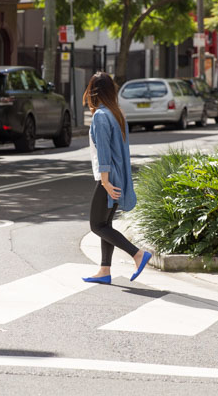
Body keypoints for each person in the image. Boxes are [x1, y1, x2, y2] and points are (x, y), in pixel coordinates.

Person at [82, 72, 152, 285]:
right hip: (117, 177)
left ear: (93, 91)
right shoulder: (117, 113)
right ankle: (104, 270)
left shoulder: (101, 116)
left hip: (109, 179)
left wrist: (105, 182)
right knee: (106, 224)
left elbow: (104, 153)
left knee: (97, 225)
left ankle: (137, 254)